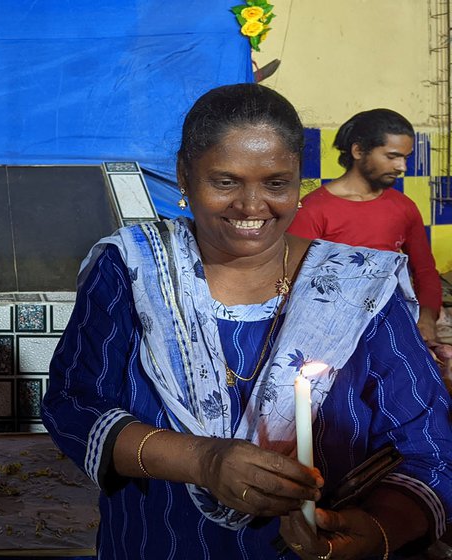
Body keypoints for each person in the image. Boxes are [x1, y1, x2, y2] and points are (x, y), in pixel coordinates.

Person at [42, 84, 452, 559]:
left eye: (276, 183)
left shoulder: (359, 287)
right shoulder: (134, 269)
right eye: (225, 181)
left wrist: (376, 530)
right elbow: (73, 405)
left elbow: (431, 443)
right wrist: (201, 459)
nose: (252, 207)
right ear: (183, 176)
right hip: (159, 542)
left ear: (300, 181)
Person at [288, 109, 443, 342]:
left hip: (391, 324)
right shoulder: (313, 210)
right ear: (358, 150)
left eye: (405, 157)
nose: (402, 167)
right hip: (329, 332)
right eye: (392, 157)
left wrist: (427, 319)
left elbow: (425, 271)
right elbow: (293, 283)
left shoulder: (404, 207)